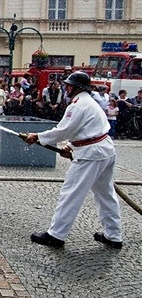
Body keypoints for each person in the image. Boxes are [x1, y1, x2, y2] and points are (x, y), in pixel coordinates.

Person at [23, 71, 122, 249]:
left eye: (69, 85)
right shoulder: (87, 102)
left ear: (77, 87)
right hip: (103, 149)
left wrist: (37, 136)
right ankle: (114, 235)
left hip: (91, 154)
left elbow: (64, 130)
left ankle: (56, 235)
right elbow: (85, 129)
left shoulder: (78, 105)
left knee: (71, 194)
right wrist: (72, 147)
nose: (66, 87)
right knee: (106, 194)